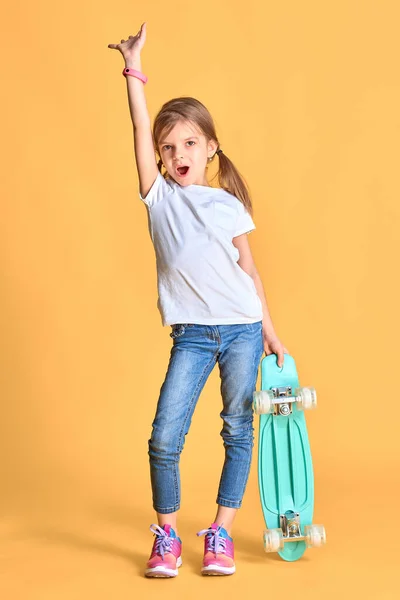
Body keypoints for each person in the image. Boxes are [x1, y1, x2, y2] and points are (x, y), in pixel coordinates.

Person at [108, 22, 288, 578]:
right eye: (168, 146)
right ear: (159, 158)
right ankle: (166, 533)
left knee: (238, 427)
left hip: (240, 328)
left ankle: (220, 534)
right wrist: (133, 71)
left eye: (189, 142)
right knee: (165, 436)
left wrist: (271, 333)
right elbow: (138, 127)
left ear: (210, 148)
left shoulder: (229, 206)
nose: (177, 152)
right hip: (191, 333)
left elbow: (250, 274)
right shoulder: (158, 197)